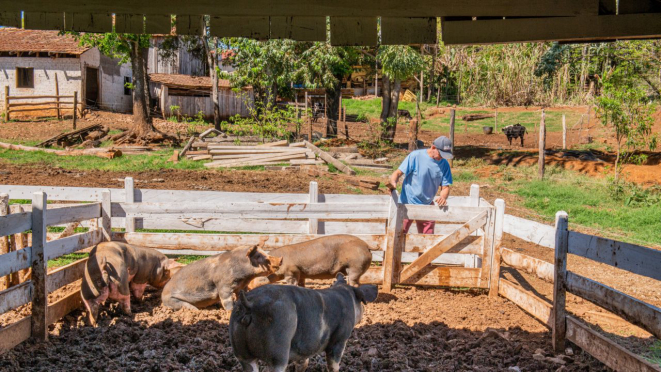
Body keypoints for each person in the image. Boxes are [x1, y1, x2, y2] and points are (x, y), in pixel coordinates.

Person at [387, 136, 453, 234]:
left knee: (427, 238)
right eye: (441, 154)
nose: (442, 157)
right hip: (406, 203)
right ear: (433, 147)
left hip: (427, 204)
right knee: (398, 234)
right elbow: (398, 173)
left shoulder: (444, 164)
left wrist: (443, 197)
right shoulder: (415, 156)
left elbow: (445, 187)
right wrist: (393, 182)